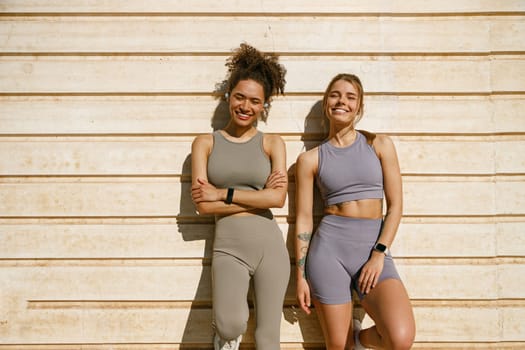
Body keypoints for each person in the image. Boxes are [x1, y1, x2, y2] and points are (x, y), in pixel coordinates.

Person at [294, 73, 416, 349]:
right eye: (335, 95)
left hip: (373, 250)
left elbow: (396, 205)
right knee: (338, 347)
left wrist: (378, 254)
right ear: (327, 103)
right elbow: (303, 219)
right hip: (329, 252)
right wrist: (300, 276)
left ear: (359, 108)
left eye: (351, 97)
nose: (342, 101)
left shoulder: (379, 145)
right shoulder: (309, 159)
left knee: (400, 337)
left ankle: (359, 339)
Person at [191, 43, 289, 350]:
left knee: (267, 338)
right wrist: (257, 195)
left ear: (264, 106)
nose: (246, 106)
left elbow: (277, 200)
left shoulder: (273, 143)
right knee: (229, 324)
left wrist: (223, 192)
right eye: (240, 97)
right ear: (228, 96)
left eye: (255, 101)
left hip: (270, 247)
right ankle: (224, 337)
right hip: (229, 247)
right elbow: (203, 206)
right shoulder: (205, 143)